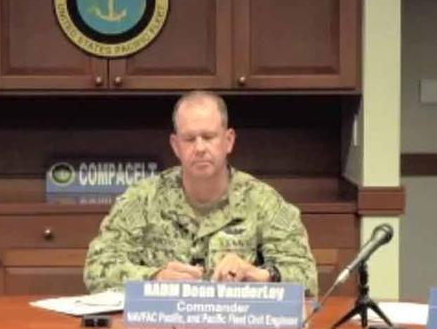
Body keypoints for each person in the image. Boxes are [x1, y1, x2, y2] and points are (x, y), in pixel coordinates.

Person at [84, 90, 318, 295]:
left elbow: (307, 277)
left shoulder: (262, 201)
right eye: (189, 139)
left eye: (208, 137)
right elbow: (97, 269)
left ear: (228, 141)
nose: (199, 148)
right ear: (176, 146)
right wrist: (154, 278)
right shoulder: (142, 199)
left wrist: (260, 275)